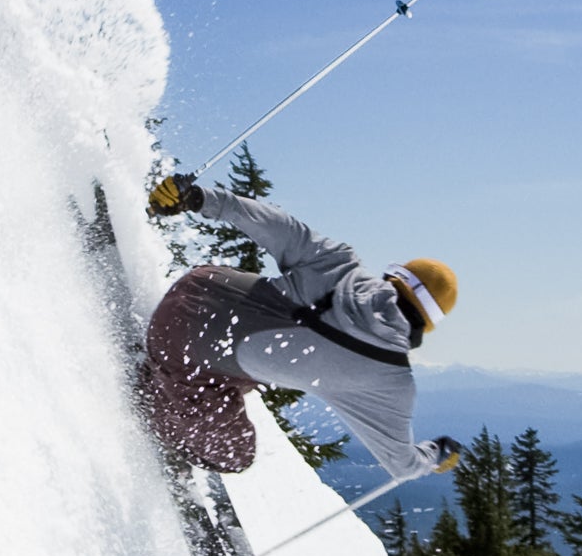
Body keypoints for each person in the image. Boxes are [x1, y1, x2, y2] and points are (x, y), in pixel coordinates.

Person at [143, 172, 463, 482]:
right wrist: (433, 455)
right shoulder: (391, 382)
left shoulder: (342, 263)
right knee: (236, 453)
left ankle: (167, 379)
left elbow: (279, 226)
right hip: (178, 346)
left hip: (192, 287)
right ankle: (150, 406)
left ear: (397, 277)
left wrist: (199, 198)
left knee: (253, 370)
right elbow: (402, 465)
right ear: (427, 325)